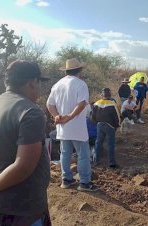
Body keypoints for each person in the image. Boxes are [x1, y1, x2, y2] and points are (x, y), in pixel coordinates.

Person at [0, 60, 51, 225]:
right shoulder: (30, 112)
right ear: (32, 82)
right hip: (21, 210)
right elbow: (23, 166)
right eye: (39, 82)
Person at [46, 57, 97, 192]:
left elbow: (49, 104)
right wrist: (70, 116)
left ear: (67, 71)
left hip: (62, 127)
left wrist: (57, 116)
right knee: (83, 155)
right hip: (77, 128)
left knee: (65, 153)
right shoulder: (80, 84)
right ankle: (85, 183)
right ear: (79, 71)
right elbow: (82, 104)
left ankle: (66, 180)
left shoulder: (57, 85)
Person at [91, 88, 120, 168]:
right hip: (110, 126)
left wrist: (97, 123)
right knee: (110, 144)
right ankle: (111, 163)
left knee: (98, 143)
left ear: (102, 95)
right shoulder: (112, 103)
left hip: (99, 125)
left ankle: (96, 161)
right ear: (109, 95)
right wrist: (116, 126)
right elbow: (117, 117)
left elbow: (92, 117)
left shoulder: (96, 103)